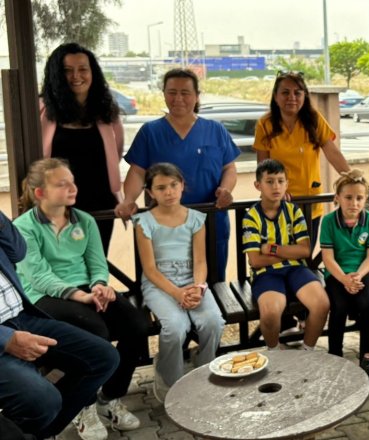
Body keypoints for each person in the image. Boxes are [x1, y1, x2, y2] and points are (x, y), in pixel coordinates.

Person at [13, 159, 148, 439]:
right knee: (95, 330)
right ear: (40, 193)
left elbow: (97, 263)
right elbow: (39, 277)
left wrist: (100, 286)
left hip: (85, 289)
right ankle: (83, 406)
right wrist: (81, 296)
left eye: (72, 181)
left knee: (136, 324)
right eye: (62, 184)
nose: (73, 188)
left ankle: (110, 397)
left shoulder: (84, 220)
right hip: (43, 296)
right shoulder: (24, 227)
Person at [0, 210, 119, 440]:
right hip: (4, 334)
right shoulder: (30, 222)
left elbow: (17, 252)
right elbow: (38, 275)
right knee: (42, 401)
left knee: (104, 357)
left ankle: (34, 433)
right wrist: (6, 339)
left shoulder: (83, 219)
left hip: (20, 317)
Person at [115, 68, 239, 280]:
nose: (178, 98)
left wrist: (226, 189)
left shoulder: (215, 130)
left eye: (185, 93)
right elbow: (137, 172)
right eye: (172, 92)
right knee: (167, 282)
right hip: (164, 224)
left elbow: (229, 168)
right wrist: (128, 199)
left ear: (197, 96)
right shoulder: (150, 132)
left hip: (210, 220)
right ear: (163, 94)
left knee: (212, 281)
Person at [132, 163, 225, 403]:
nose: (169, 192)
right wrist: (177, 293)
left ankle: (204, 367)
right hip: (159, 285)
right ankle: (168, 376)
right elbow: (150, 269)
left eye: (174, 185)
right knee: (175, 326)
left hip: (192, 280)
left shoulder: (195, 219)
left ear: (182, 185)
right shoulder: (144, 222)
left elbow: (200, 261)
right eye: (161, 188)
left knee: (213, 321)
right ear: (151, 192)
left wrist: (198, 288)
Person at [39, 43, 124, 254]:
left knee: (97, 262)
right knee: (63, 264)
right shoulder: (42, 109)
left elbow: (116, 152)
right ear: (57, 75)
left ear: (92, 72)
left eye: (83, 69)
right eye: (68, 70)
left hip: (100, 204)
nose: (76, 76)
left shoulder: (107, 110)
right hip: (57, 206)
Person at [242, 159, 330, 351]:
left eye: (281, 181)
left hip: (297, 269)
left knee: (322, 304)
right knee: (270, 313)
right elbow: (256, 260)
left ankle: (307, 352)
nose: (276, 186)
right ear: (258, 185)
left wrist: (272, 249)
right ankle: (275, 353)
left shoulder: (293, 211)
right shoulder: (251, 217)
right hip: (266, 273)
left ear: (287, 184)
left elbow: (305, 250)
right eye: (270, 181)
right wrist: (290, 252)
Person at [254, 71, 350, 233]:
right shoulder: (265, 124)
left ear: (304, 96)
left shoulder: (314, 119)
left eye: (297, 93)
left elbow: (333, 153)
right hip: (278, 203)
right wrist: (275, 191)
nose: (291, 97)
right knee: (279, 249)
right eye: (285, 92)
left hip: (309, 203)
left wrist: (352, 179)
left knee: (306, 249)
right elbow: (263, 166)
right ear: (275, 97)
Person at [319, 169, 369, 383]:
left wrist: (358, 276)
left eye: (359, 198)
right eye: (348, 197)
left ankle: (368, 357)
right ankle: (335, 355)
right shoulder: (329, 221)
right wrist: (344, 279)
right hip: (337, 273)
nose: (354, 203)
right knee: (339, 305)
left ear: (365, 199)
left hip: (365, 271)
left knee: (368, 303)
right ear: (337, 198)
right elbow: (328, 258)